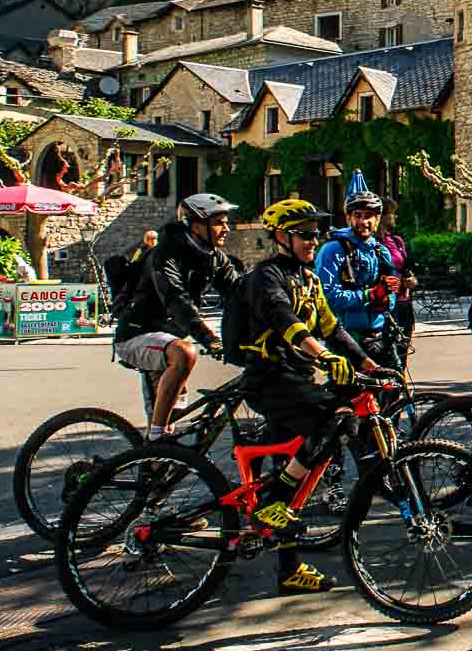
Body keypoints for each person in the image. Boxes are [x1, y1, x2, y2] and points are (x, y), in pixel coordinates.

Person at [241, 197, 379, 595]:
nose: (312, 241)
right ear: (281, 236)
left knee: (296, 465)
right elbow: (286, 321)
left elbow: (333, 328)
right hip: (269, 377)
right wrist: (323, 355)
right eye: (304, 234)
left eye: (315, 234)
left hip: (296, 377)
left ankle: (288, 566)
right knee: (337, 420)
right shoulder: (266, 277)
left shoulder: (309, 279)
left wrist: (368, 363)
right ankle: (273, 501)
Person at [112, 193, 243, 438]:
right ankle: (155, 438)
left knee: (177, 416)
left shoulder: (214, 257)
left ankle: (162, 448)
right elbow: (175, 299)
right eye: (218, 222)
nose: (226, 228)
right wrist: (209, 338)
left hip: (170, 339)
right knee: (184, 352)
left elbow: (241, 295)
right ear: (195, 224)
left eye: (226, 222)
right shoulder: (165, 254)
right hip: (136, 335)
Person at [316, 182, 402, 367]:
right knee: (353, 393)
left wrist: (388, 298)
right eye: (357, 216)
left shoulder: (381, 251)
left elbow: (392, 289)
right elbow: (326, 297)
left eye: (369, 216)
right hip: (346, 336)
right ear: (348, 217)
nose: (363, 222)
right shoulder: (333, 249)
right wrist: (369, 295)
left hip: (380, 333)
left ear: (378, 219)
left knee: (394, 389)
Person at [376, 198, 419, 353]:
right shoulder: (372, 243)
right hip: (384, 304)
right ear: (382, 217)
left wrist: (412, 280)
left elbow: (406, 268)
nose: (395, 217)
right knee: (387, 353)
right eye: (392, 214)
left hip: (404, 302)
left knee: (402, 352)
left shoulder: (397, 241)